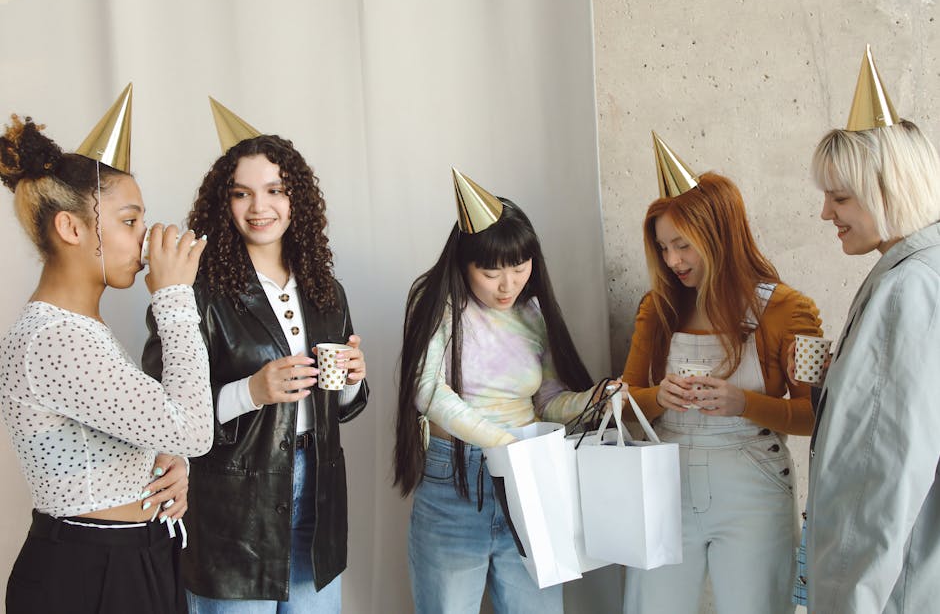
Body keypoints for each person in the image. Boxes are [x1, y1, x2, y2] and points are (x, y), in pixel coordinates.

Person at [143, 98, 369, 613]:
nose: (259, 207)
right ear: (224, 204)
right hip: (232, 506)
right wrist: (252, 391)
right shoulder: (196, 290)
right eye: (242, 194)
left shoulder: (325, 290)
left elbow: (345, 406)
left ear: (298, 201)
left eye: (274, 191)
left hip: (319, 491)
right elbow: (159, 411)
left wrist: (353, 378)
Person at [0, 87, 213, 614]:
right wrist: (175, 298)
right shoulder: (54, 338)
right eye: (129, 220)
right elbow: (194, 428)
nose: (145, 240)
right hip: (89, 573)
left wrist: (164, 464)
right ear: (71, 227)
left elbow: (165, 429)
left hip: (131, 559)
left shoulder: (81, 329)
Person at [620, 133, 823, 614]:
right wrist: (658, 397)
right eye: (664, 247)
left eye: (682, 245)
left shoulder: (791, 310)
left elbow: (816, 416)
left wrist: (744, 404)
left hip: (753, 489)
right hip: (665, 484)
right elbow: (623, 405)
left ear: (719, 235)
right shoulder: (658, 307)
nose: (672, 261)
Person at [393, 168, 609, 614]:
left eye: (518, 267)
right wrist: (504, 444)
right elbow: (426, 391)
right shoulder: (438, 304)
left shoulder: (532, 312)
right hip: (456, 480)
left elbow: (547, 401)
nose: (508, 283)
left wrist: (596, 399)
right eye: (491, 271)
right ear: (464, 264)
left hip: (531, 479)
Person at [804, 46, 940, 613]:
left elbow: (878, 472)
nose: (826, 214)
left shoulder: (906, 288)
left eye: (840, 198)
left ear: (889, 191)